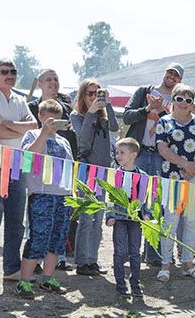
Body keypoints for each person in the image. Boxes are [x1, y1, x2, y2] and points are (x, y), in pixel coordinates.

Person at [0, 59, 39, 287]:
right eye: (5, 72)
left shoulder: (20, 98)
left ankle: (11, 268)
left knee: (16, 220)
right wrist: (15, 126)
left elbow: (33, 125)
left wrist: (5, 124)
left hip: (16, 162)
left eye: (13, 71)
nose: (10, 75)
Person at [123, 63, 183, 266]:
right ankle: (130, 251)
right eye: (170, 72)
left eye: (176, 75)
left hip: (160, 156)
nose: (172, 77)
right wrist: (148, 108)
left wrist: (162, 111)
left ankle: (153, 253)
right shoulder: (143, 92)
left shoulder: (178, 100)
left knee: (156, 204)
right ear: (164, 73)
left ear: (179, 80)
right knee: (133, 200)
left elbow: (178, 128)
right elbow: (127, 117)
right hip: (138, 153)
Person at [16, 100, 73, 299]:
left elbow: (70, 168)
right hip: (40, 194)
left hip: (62, 195)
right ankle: (24, 281)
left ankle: (48, 279)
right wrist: (43, 133)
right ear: (40, 117)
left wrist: (72, 194)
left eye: (57, 119)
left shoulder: (64, 141)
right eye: (49, 118)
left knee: (57, 238)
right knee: (38, 236)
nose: (53, 123)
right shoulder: (31, 135)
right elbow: (26, 159)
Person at [155, 83, 195, 281]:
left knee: (192, 220)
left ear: (192, 103)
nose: (183, 103)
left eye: (188, 100)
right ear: (173, 100)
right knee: (171, 219)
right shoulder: (164, 122)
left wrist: (193, 166)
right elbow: (163, 148)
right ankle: (165, 265)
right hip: (172, 177)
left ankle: (188, 263)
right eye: (179, 98)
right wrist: (185, 165)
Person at [70, 79, 119, 276]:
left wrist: (107, 104)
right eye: (90, 93)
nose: (94, 97)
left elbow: (115, 127)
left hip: (104, 171)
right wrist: (91, 112)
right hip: (86, 170)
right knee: (85, 218)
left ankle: (93, 260)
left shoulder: (103, 115)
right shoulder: (77, 116)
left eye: (97, 93)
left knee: (98, 219)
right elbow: (83, 139)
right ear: (82, 96)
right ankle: (81, 262)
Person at [106, 138, 145, 297]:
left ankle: (135, 283)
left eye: (122, 152)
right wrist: (109, 215)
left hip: (135, 219)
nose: (118, 156)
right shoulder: (115, 174)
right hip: (119, 218)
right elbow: (109, 196)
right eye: (117, 152)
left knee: (135, 252)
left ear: (133, 155)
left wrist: (146, 214)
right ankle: (120, 284)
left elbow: (144, 198)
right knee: (119, 252)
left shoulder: (142, 176)